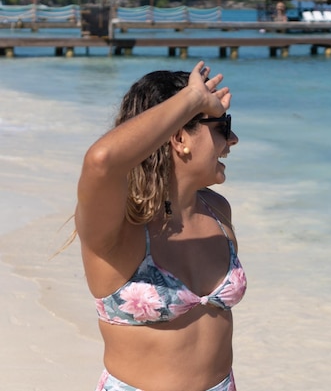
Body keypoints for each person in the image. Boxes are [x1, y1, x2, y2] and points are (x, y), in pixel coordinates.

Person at [75, 60, 245, 391]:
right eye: (222, 127)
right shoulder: (118, 229)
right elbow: (101, 162)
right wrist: (193, 99)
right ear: (180, 136)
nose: (233, 139)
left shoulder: (217, 211)